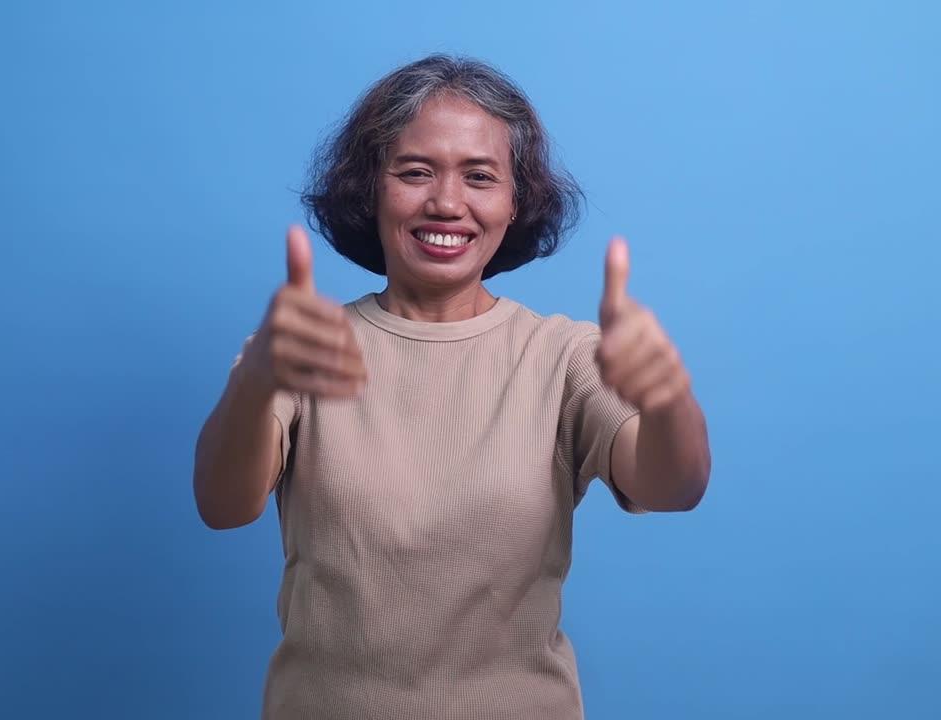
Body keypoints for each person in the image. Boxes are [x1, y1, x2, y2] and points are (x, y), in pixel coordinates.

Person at [193, 54, 711, 720]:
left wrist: (669, 398)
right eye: (415, 172)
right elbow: (221, 504)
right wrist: (257, 381)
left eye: (480, 177)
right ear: (369, 189)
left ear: (515, 201)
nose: (446, 202)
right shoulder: (299, 350)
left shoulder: (563, 356)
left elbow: (675, 487)